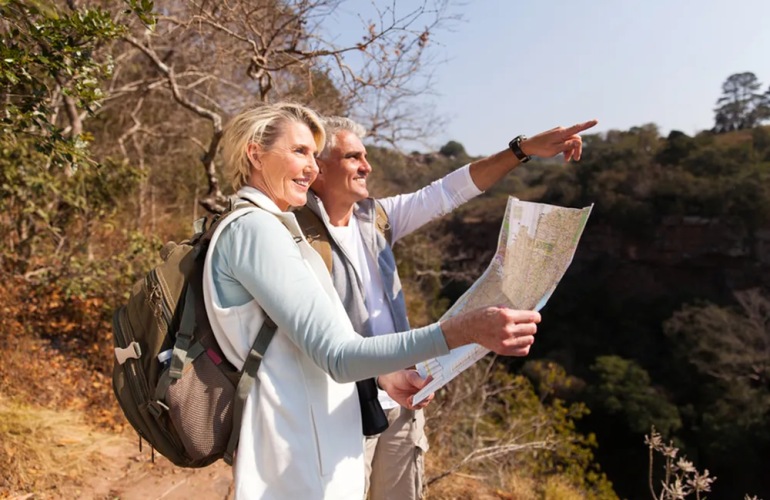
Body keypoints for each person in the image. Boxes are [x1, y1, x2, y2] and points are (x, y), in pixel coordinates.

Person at [202, 101, 543, 500]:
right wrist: (460, 331)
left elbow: (447, 191)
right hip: (301, 450)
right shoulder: (261, 232)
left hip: (332, 429)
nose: (310, 166)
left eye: (312, 154)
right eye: (300, 152)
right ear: (255, 153)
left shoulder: (348, 222)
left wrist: (385, 375)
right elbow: (338, 355)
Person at [297, 115, 597, 500]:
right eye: (353, 157)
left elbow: (448, 191)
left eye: (366, 156)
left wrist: (522, 150)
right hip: (341, 413)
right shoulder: (294, 237)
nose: (367, 166)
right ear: (317, 168)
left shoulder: (376, 219)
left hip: (404, 403)